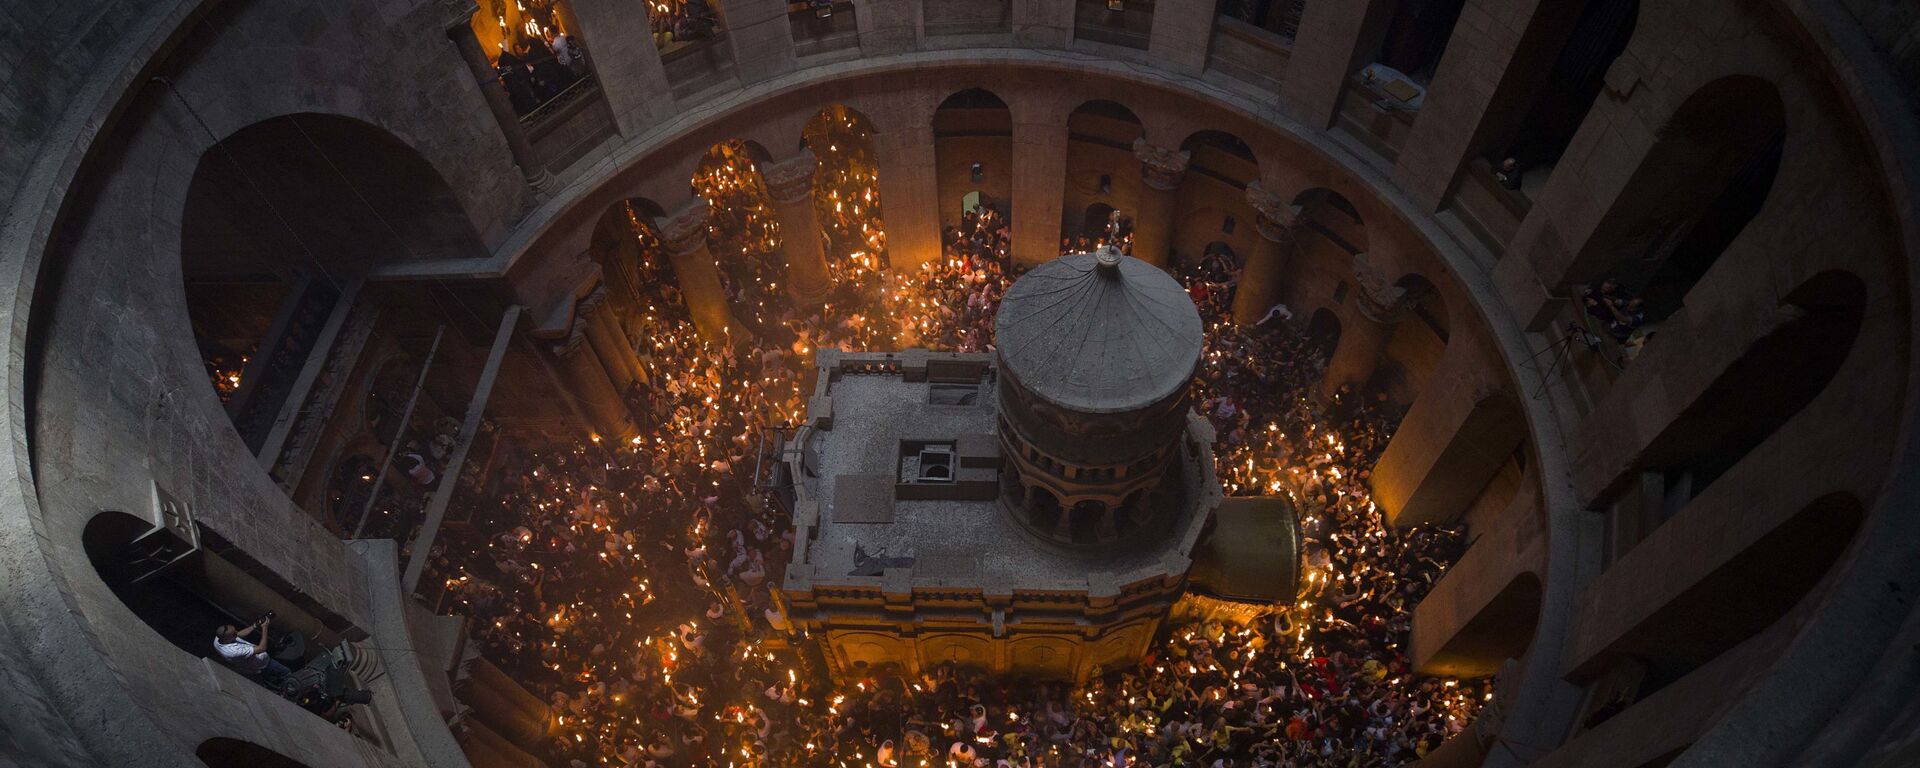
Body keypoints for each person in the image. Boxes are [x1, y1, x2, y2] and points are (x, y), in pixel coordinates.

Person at [214, 616, 290, 682]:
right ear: (226, 639)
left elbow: (239, 634)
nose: (236, 633)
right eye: (234, 634)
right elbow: (262, 648)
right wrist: (265, 628)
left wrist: (254, 626)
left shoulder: (219, 638)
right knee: (286, 672)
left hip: (259, 658)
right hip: (263, 664)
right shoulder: (233, 652)